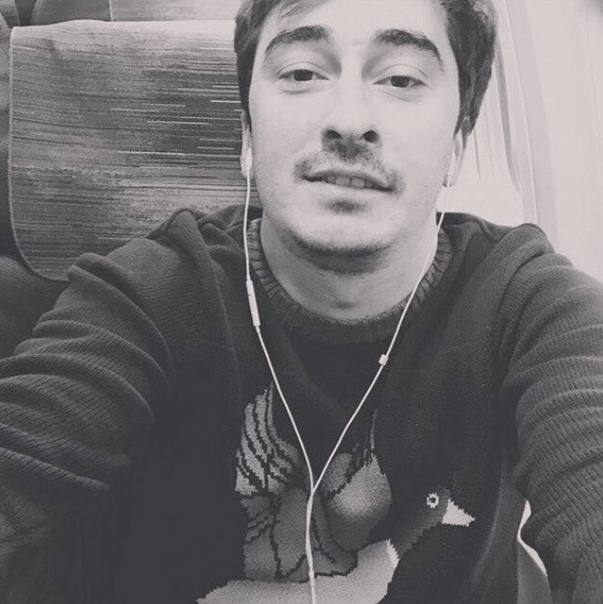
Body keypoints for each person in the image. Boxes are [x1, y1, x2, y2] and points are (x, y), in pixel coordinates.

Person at [0, 0, 602, 602]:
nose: (349, 119)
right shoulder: (145, 297)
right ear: (247, 137)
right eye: (302, 73)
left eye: (400, 79)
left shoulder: (528, 305)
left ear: (458, 146)